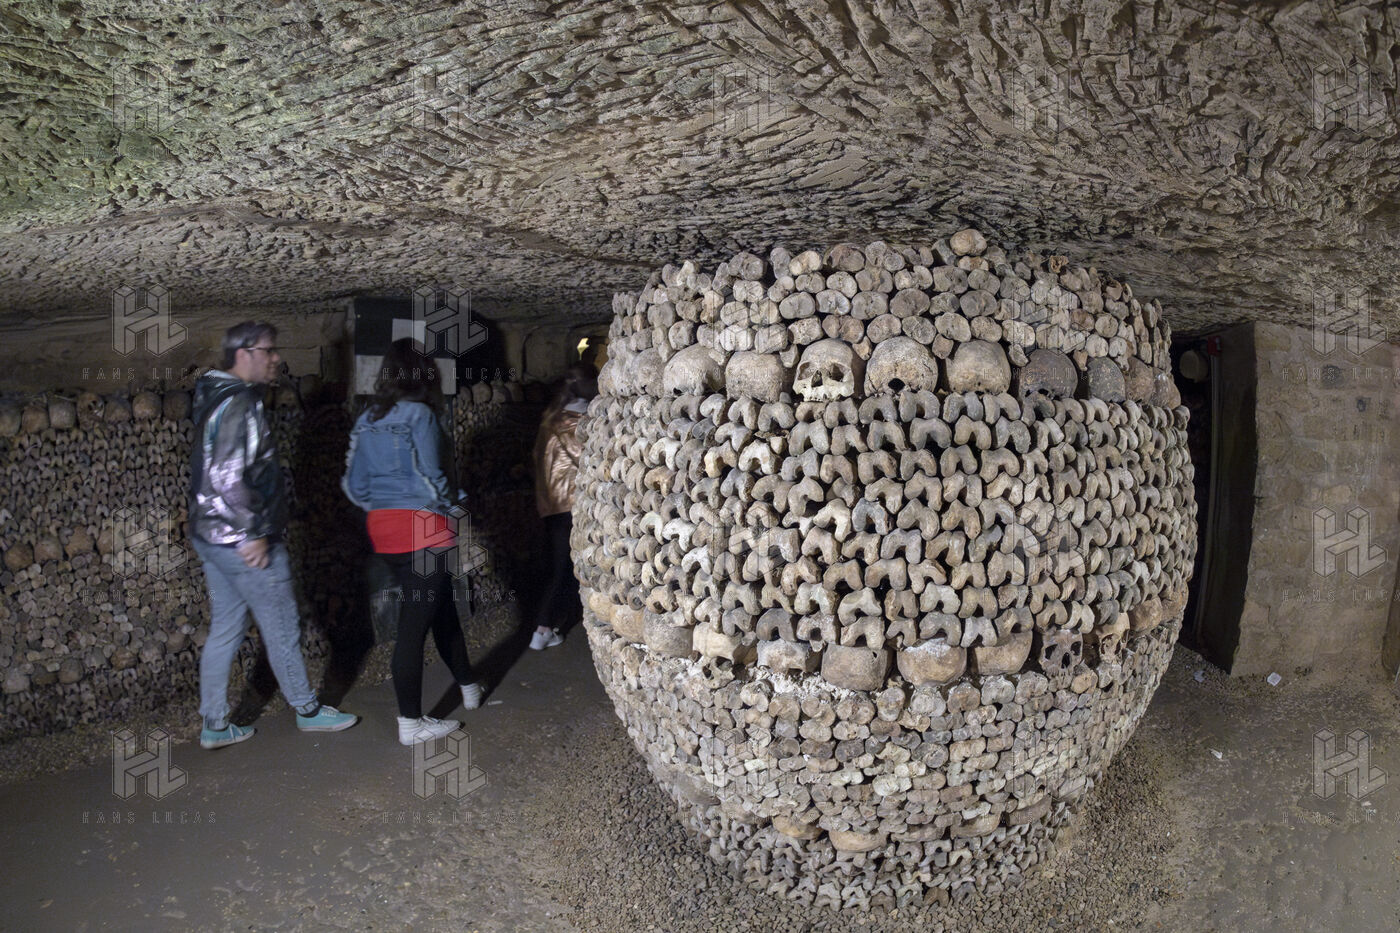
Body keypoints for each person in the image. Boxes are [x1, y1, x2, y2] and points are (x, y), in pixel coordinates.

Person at [190, 321, 359, 749]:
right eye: (268, 350)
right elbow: (228, 474)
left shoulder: (213, 394)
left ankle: (214, 724)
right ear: (244, 354)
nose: (276, 358)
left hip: (211, 536)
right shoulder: (240, 402)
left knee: (226, 628)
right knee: (282, 625)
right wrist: (252, 532)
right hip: (243, 541)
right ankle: (308, 711)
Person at [343, 339, 484, 745]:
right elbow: (431, 474)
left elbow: (354, 482)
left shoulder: (367, 418)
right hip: (425, 527)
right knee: (412, 627)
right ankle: (410, 723)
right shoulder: (420, 414)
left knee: (440, 609)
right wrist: (454, 504)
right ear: (425, 373)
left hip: (383, 528)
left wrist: (382, 505)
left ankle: (469, 687)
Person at [529, 364, 596, 651]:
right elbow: (586, 457)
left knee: (560, 565)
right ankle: (543, 628)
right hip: (572, 504)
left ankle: (551, 625)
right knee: (565, 568)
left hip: (551, 504)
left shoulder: (550, 418)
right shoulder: (574, 420)